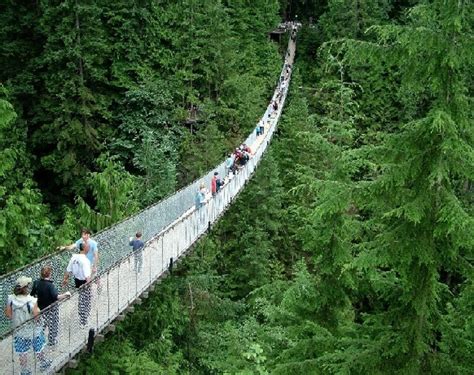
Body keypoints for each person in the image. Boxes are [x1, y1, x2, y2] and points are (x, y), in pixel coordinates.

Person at [5, 276, 52, 373]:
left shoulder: (11, 299)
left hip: (19, 332)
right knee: (39, 347)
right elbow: (37, 316)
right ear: (26, 288)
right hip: (33, 331)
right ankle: (43, 363)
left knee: (22, 352)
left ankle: (24, 371)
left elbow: (9, 315)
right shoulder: (32, 301)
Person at [31, 267, 70, 346]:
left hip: (40, 309)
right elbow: (56, 297)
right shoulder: (50, 285)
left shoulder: (36, 283)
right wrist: (66, 294)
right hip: (51, 309)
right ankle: (52, 341)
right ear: (50, 274)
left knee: (41, 325)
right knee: (53, 325)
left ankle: (38, 340)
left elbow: (32, 294)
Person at [62, 243, 92, 327]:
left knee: (81, 298)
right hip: (84, 282)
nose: (89, 249)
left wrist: (65, 279)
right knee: (86, 300)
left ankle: (83, 317)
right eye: (88, 247)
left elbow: (68, 270)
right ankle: (83, 321)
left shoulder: (73, 258)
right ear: (85, 249)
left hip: (77, 281)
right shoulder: (85, 261)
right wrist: (89, 285)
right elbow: (87, 277)